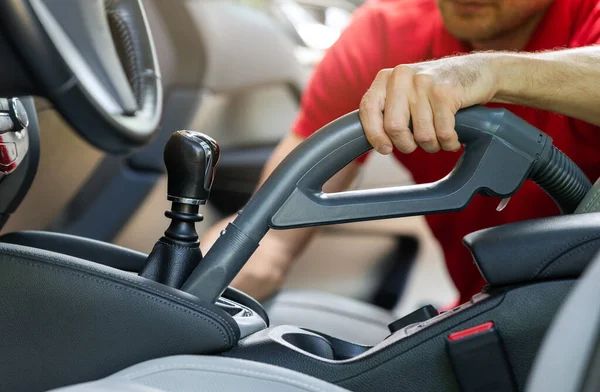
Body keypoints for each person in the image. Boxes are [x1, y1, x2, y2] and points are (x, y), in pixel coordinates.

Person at [202, 0, 600, 305]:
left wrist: (491, 73)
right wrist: (187, 291)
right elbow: (269, 240)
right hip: (483, 314)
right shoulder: (385, 33)